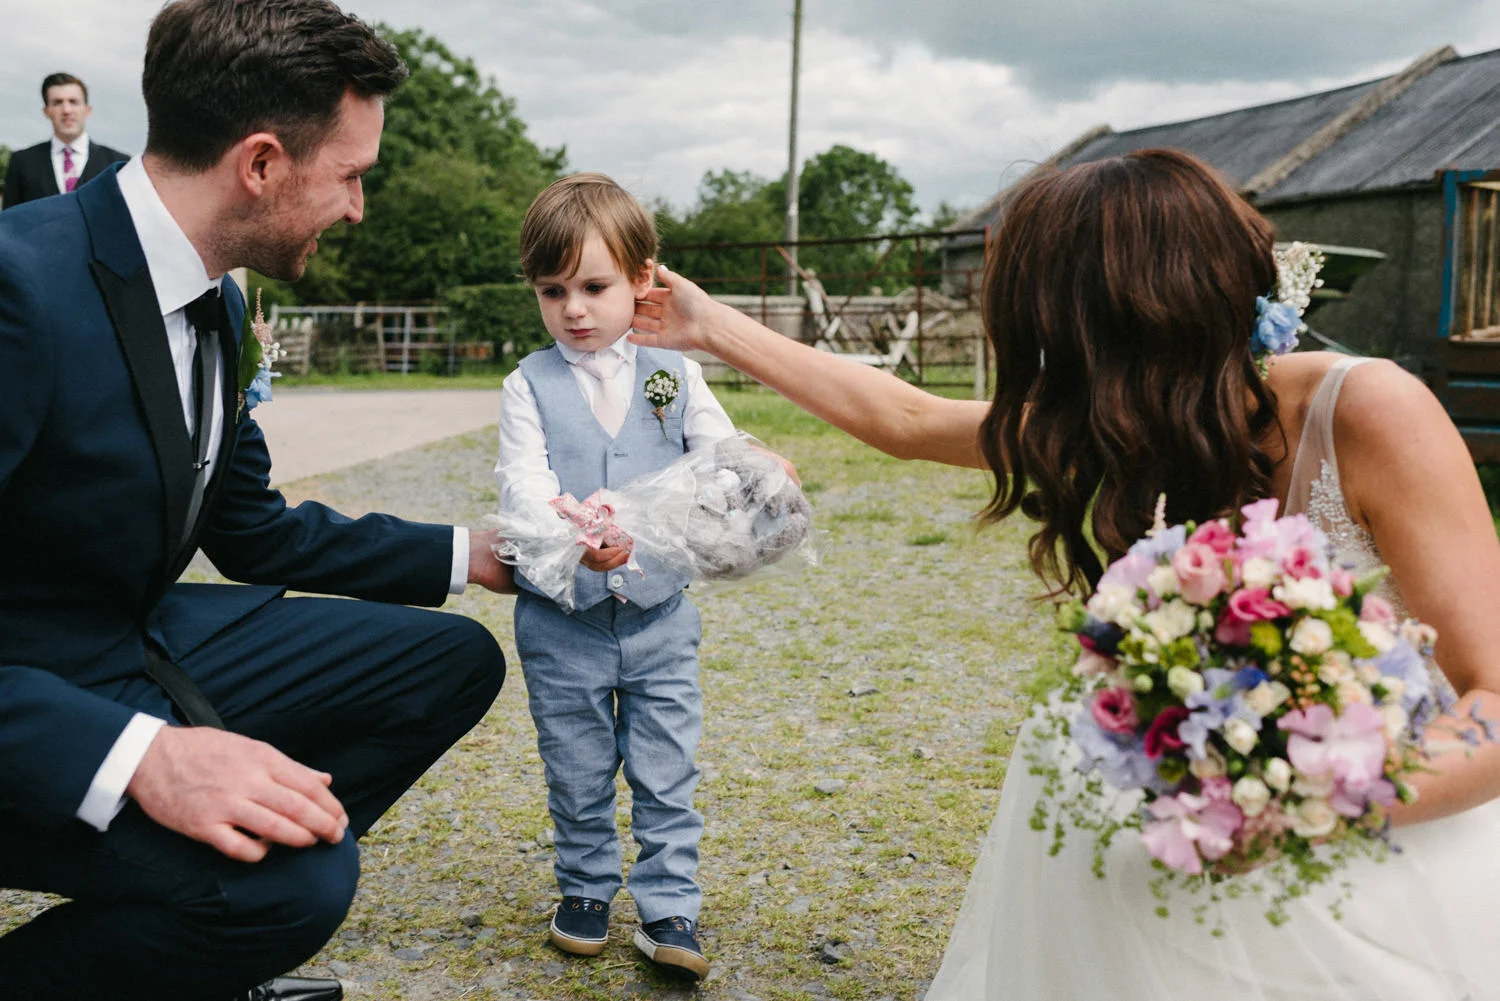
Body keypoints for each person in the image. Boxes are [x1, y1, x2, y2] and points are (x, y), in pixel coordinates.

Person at [630, 148, 1500, 999]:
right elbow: (903, 415)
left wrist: (1302, 799)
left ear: (1126, 329)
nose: (1042, 373)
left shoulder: (1371, 410)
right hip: (1175, 798)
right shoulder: (1117, 416)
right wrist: (706, 326)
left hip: (1390, 813)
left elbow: (1493, 698)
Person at [0, 3, 515, 1000]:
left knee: (451, 662)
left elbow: (247, 525)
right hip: (30, 683)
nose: (358, 207)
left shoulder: (219, 296)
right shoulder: (18, 289)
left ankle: (182, 932)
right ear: (263, 163)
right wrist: (141, 756)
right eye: (352, 174)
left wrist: (474, 553)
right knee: (296, 884)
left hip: (134, 634)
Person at [495, 172, 749, 980]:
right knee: (574, 763)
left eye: (595, 286)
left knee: (668, 764)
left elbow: (716, 457)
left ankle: (671, 901)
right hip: (562, 619)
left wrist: (748, 476)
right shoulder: (526, 384)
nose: (573, 308)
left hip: (658, 615)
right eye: (552, 289)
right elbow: (524, 487)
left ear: (643, 280)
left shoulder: (673, 374)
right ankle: (584, 886)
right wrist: (572, 543)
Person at [2, 72, 130, 208]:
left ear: (87, 110)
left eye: (73, 102)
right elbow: (10, 223)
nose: (66, 110)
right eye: (57, 103)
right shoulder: (22, 162)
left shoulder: (118, 164)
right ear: (46, 111)